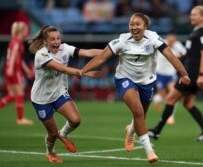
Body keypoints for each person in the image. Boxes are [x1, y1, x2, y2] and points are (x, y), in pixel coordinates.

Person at [80, 13, 190, 163]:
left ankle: (130, 131)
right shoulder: (122, 40)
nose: (134, 27)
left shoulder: (153, 38)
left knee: (141, 116)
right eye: (131, 24)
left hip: (147, 81)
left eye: (138, 24)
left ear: (145, 26)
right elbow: (101, 57)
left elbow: (170, 55)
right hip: (125, 79)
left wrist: (183, 74)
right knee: (138, 111)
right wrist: (83, 71)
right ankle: (149, 151)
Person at [28, 25, 103, 163]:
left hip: (59, 93)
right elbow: (62, 69)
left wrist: (110, 51)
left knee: (75, 120)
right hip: (41, 99)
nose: (56, 42)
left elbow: (87, 52)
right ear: (45, 42)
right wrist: (85, 72)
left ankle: (64, 134)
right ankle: (50, 152)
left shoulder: (64, 48)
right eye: (52, 39)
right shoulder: (41, 55)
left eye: (58, 38)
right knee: (52, 132)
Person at [148, 5, 203, 141]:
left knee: (170, 99)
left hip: (192, 74)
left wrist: (201, 75)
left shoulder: (202, 33)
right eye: (191, 14)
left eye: (194, 14)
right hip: (193, 73)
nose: (191, 16)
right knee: (188, 104)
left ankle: (156, 131)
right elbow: (190, 54)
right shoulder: (196, 32)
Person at [0, 21, 34, 125]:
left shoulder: (14, 41)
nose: (27, 31)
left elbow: (18, 57)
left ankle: (20, 118)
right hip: (14, 70)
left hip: (11, 70)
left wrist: (26, 69)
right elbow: (14, 55)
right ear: (22, 31)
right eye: (26, 29)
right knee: (20, 93)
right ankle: (20, 119)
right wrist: (10, 68)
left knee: (12, 95)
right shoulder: (17, 42)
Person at [152, 34, 186, 125]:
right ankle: (157, 99)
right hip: (160, 73)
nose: (172, 42)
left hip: (171, 74)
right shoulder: (161, 43)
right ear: (167, 39)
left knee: (173, 94)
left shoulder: (177, 45)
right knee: (163, 96)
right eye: (171, 41)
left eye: (174, 41)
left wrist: (178, 53)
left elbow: (184, 52)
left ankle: (170, 116)